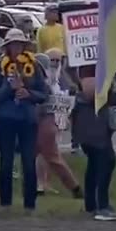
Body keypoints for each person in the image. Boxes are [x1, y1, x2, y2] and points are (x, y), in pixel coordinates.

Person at [0, 29, 49, 213]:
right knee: (6, 162)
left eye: (19, 44)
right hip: (6, 119)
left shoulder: (34, 65)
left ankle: (30, 204)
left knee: (29, 163)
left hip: (28, 120)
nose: (16, 48)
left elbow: (44, 93)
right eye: (13, 45)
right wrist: (8, 88)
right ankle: (5, 202)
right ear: (7, 47)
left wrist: (29, 94)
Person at [72, 67, 116, 221]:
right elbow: (90, 92)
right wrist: (110, 85)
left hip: (95, 123)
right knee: (106, 160)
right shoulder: (90, 67)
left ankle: (91, 205)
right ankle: (102, 206)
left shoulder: (100, 65)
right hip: (92, 122)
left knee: (95, 163)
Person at [33, 51, 82, 198]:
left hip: (44, 121)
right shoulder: (47, 80)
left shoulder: (44, 81)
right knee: (40, 156)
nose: (55, 63)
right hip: (43, 121)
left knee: (52, 157)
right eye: (52, 60)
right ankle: (35, 186)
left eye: (57, 60)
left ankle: (75, 187)